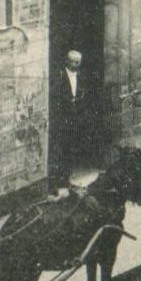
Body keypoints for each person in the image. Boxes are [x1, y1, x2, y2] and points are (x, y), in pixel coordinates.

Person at [49, 49, 99, 192]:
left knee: (73, 147)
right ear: (66, 60)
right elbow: (56, 97)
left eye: (77, 62)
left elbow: (85, 95)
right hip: (63, 119)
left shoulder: (82, 76)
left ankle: (72, 175)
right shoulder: (59, 76)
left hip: (76, 119)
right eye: (71, 61)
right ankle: (62, 179)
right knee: (62, 149)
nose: (74, 65)